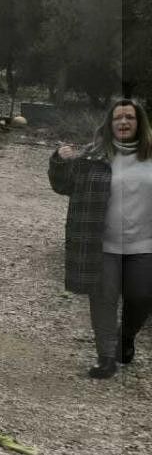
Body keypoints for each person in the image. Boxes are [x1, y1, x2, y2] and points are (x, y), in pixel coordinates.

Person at [49, 97, 152, 378]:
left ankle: (126, 337)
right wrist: (60, 159)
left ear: (139, 123)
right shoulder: (93, 156)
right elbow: (61, 185)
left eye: (129, 117)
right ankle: (106, 357)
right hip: (102, 243)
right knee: (104, 298)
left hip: (144, 245)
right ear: (109, 124)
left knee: (142, 296)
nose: (123, 122)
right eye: (117, 117)